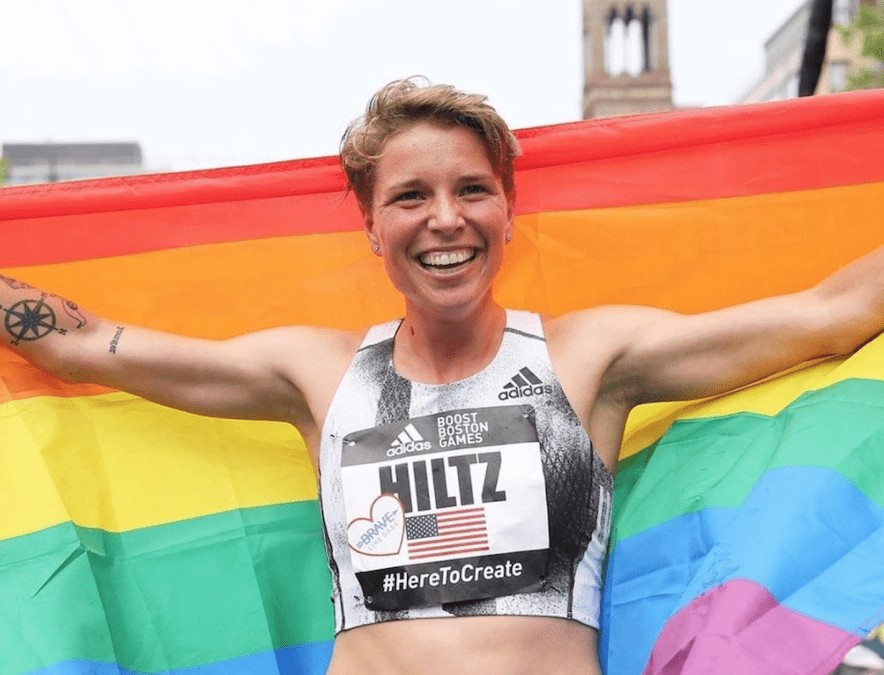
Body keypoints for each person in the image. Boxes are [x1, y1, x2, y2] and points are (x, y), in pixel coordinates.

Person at [2, 78, 883, 675]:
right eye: (410, 196)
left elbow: (829, 315)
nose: (445, 219)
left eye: (471, 189)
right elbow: (88, 343)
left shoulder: (589, 358)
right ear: (371, 226)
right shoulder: (316, 373)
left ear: (508, 209)